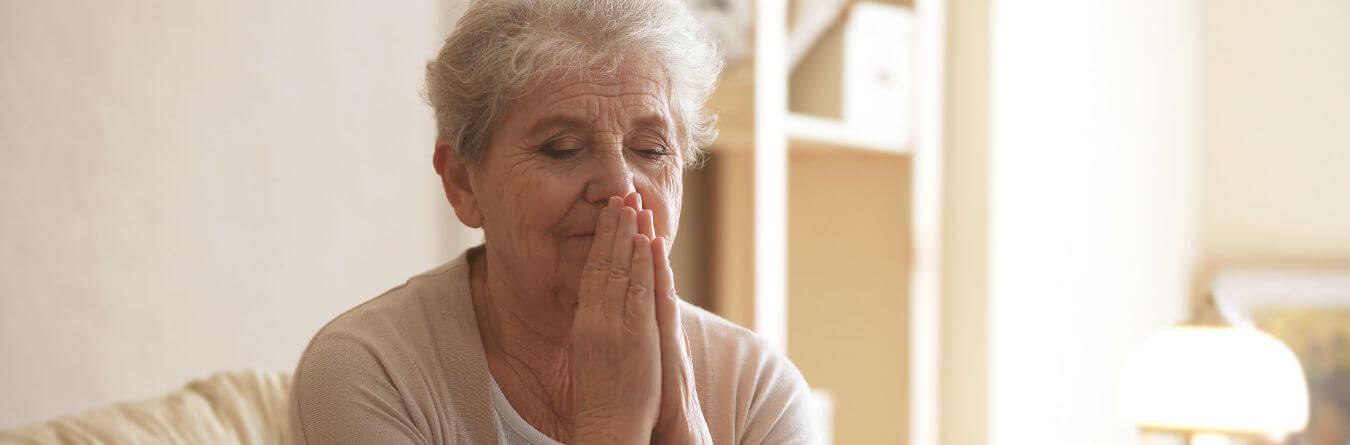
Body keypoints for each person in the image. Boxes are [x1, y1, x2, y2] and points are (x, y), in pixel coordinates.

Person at [288, 0, 818, 443]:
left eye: (650, 149)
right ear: (463, 184)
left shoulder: (756, 393)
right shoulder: (372, 372)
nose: (620, 187)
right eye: (562, 148)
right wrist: (611, 429)